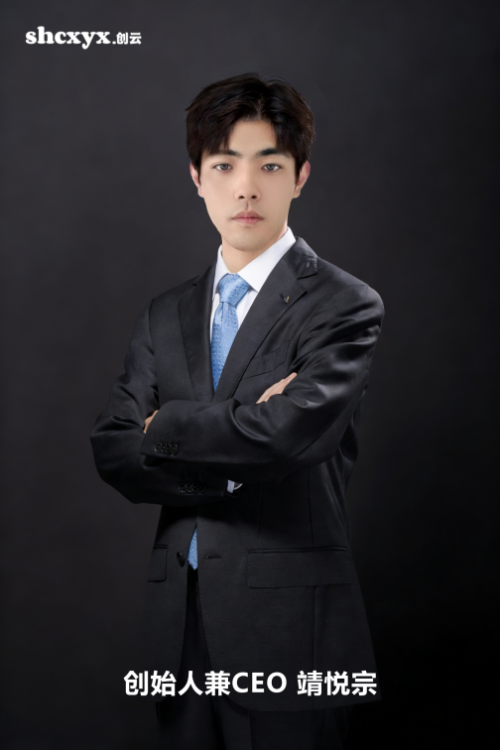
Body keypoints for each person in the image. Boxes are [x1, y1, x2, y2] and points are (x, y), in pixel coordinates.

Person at [90, 72, 385, 750]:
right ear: (197, 177)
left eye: (269, 165)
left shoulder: (344, 304)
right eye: (224, 165)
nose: (245, 188)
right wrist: (237, 442)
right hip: (178, 633)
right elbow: (112, 447)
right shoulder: (164, 314)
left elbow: (286, 436)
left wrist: (164, 427)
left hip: (291, 631)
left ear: (300, 176)